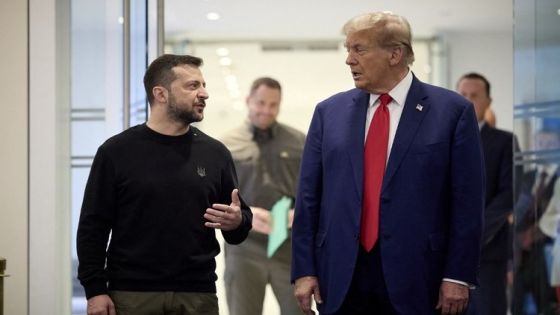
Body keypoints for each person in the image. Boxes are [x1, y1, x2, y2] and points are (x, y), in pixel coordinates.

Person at [291, 11, 485, 315]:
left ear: (395, 53)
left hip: (421, 277)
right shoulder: (329, 113)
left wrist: (457, 275)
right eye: (348, 49)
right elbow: (307, 198)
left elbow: (467, 203)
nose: (349, 60)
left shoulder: (453, 112)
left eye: (359, 49)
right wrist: (304, 269)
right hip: (341, 275)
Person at [76, 54, 253, 315]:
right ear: (160, 94)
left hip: (198, 295)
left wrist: (237, 221)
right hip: (131, 295)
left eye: (203, 85)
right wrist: (95, 290)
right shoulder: (116, 152)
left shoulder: (216, 154)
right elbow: (93, 226)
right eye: (193, 86)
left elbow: (238, 226)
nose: (204, 93)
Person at [221, 77, 305, 315]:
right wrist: (243, 213)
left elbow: (315, 190)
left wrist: (298, 213)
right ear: (249, 101)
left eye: (273, 105)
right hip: (244, 243)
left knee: (297, 310)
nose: (266, 111)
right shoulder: (227, 145)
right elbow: (214, 195)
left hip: (288, 243)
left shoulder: (300, 142)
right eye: (260, 103)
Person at [456, 72, 515, 315]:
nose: (468, 101)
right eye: (463, 95)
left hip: (487, 254)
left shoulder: (504, 142)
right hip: (444, 254)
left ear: (488, 101)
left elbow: (508, 194)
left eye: (475, 96)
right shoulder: (440, 140)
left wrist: (473, 234)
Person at [513, 118, 560, 315]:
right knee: (515, 305)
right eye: (540, 143)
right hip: (519, 254)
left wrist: (531, 236)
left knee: (546, 306)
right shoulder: (526, 176)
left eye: (549, 144)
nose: (543, 149)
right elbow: (517, 209)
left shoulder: (558, 177)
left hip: (545, 251)